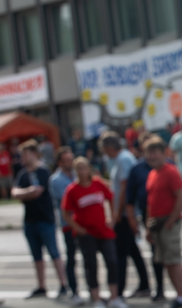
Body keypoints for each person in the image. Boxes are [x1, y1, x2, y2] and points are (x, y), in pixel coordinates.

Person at [62, 157, 127, 308]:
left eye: (84, 168)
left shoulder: (98, 183)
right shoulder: (72, 189)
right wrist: (77, 228)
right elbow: (65, 212)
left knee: (111, 261)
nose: (82, 171)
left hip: (103, 230)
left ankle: (114, 297)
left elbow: (111, 197)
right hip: (86, 233)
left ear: (89, 169)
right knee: (91, 265)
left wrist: (112, 216)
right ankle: (96, 299)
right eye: (79, 169)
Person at [11, 139, 68, 299]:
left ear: (34, 154)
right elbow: (15, 192)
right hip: (30, 221)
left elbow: (38, 192)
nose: (23, 157)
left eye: (25, 154)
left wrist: (25, 193)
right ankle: (42, 286)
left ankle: (64, 284)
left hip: (45, 219)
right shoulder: (23, 173)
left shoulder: (43, 171)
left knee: (54, 253)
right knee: (37, 256)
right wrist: (27, 192)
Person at [99, 131, 150, 298]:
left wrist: (117, 212)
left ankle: (118, 290)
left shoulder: (123, 159)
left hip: (125, 213)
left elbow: (125, 188)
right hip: (124, 212)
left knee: (120, 252)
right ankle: (144, 284)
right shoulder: (121, 159)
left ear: (108, 147)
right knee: (132, 251)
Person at [144, 137, 182, 308]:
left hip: (168, 222)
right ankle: (179, 294)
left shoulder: (170, 171)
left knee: (173, 260)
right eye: (149, 152)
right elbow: (151, 201)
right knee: (166, 261)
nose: (152, 156)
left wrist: (171, 220)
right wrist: (148, 226)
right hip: (157, 224)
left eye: (155, 152)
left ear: (163, 154)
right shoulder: (152, 174)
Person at [125, 132, 165, 302]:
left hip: (167, 217)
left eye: (155, 148)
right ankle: (159, 288)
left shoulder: (167, 166)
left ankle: (180, 290)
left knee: (171, 255)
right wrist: (132, 219)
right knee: (155, 255)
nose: (152, 152)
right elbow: (130, 197)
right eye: (148, 147)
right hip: (148, 217)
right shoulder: (137, 169)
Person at [49, 147, 83, 306]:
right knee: (71, 259)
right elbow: (70, 201)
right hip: (68, 225)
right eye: (67, 160)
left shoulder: (78, 174)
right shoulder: (56, 180)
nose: (71, 162)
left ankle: (93, 291)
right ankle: (74, 291)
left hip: (84, 223)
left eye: (71, 159)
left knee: (89, 259)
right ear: (60, 162)